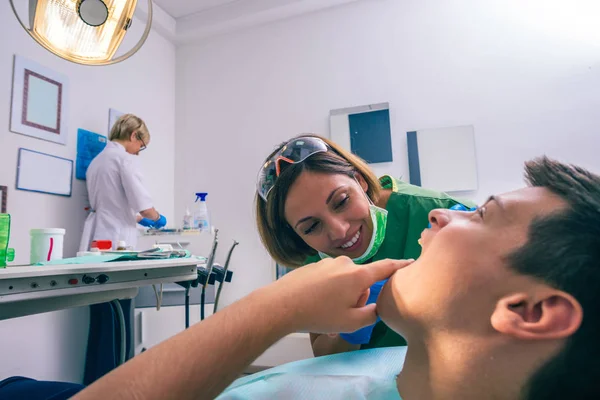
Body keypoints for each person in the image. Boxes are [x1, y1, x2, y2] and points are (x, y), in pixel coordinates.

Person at [70, 156, 600, 400]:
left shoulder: (428, 209)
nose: (340, 231)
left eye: (480, 215)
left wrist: (269, 311)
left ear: (528, 311)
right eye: (311, 228)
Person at [255, 134, 474, 355]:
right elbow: (323, 353)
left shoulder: (440, 213)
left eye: (341, 201)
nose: (339, 230)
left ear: (360, 180)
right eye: (312, 227)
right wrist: (351, 329)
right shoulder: (312, 257)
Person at [79, 114, 167, 251]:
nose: (138, 151)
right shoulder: (126, 160)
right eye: (141, 145)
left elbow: (112, 204)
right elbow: (145, 208)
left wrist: (138, 219)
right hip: (117, 238)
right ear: (133, 135)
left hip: (96, 233)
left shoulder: (96, 162)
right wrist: (157, 218)